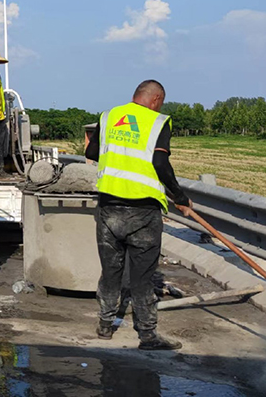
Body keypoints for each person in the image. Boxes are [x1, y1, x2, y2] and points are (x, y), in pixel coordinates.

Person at [85, 79, 193, 351]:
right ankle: (147, 336)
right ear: (156, 99)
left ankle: (105, 326)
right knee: (142, 277)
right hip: (143, 212)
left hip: (108, 207)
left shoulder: (108, 116)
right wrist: (180, 197)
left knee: (111, 271)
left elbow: (91, 152)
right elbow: (159, 161)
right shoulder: (159, 122)